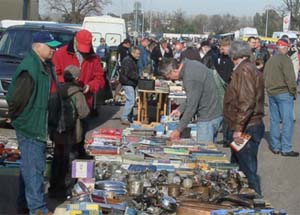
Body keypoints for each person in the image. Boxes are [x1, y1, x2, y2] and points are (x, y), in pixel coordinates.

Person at [6, 31, 61, 215]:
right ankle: (38, 209)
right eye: (50, 46)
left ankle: (23, 204)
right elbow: (15, 99)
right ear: (38, 46)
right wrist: (20, 119)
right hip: (31, 125)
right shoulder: (30, 67)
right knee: (34, 169)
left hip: (37, 123)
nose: (54, 49)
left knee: (29, 168)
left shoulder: (43, 65)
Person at [52, 29, 105, 157]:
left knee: (80, 137)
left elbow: (100, 78)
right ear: (75, 40)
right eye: (81, 47)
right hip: (64, 103)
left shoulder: (93, 58)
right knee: (63, 139)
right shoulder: (61, 54)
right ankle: (61, 167)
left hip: (84, 103)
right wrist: (69, 85)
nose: (84, 51)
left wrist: (90, 86)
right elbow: (55, 75)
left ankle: (77, 166)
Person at [223, 40, 265, 195]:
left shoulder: (244, 70)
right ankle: (240, 199)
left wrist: (238, 129)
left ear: (234, 54)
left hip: (247, 126)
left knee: (247, 170)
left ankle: (257, 202)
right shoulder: (246, 68)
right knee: (237, 168)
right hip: (246, 125)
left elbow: (247, 102)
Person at [48, 65, 90, 199]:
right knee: (70, 159)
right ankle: (67, 188)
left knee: (57, 159)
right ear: (76, 78)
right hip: (71, 132)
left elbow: (51, 111)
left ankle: (53, 188)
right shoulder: (77, 93)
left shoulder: (57, 90)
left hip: (58, 132)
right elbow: (84, 113)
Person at [158, 58, 223, 142]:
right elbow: (194, 96)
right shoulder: (190, 64)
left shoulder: (190, 77)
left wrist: (178, 130)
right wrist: (180, 109)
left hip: (208, 116)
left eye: (169, 77)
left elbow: (192, 106)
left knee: (203, 150)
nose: (171, 80)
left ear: (174, 71)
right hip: (214, 111)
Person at [264, 38, 299, 157]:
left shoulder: (270, 60)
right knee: (287, 121)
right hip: (284, 93)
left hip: (272, 93)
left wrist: (268, 89)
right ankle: (286, 148)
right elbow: (290, 78)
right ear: (285, 47)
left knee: (274, 120)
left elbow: (265, 76)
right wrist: (293, 92)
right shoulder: (285, 59)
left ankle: (275, 147)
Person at [216, 38, 234, 147]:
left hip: (229, 88)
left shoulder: (231, 58)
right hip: (223, 87)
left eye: (223, 48)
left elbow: (228, 74)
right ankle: (225, 137)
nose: (221, 50)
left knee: (228, 115)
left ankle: (228, 138)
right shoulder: (222, 57)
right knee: (224, 114)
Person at [119, 47, 141, 125]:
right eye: (138, 53)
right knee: (131, 100)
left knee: (131, 100)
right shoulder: (128, 60)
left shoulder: (132, 60)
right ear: (133, 53)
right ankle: (124, 117)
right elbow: (129, 73)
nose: (139, 55)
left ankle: (129, 117)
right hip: (127, 82)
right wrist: (138, 76)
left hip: (130, 82)